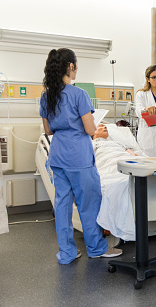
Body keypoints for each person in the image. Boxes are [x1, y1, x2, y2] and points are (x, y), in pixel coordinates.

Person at [39, 48, 122, 264]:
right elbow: (89, 129)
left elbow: (48, 131)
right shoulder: (79, 95)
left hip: (58, 156)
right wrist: (95, 126)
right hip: (79, 157)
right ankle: (95, 248)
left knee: (63, 205)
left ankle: (67, 253)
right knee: (89, 203)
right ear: (71, 67)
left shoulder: (46, 96)